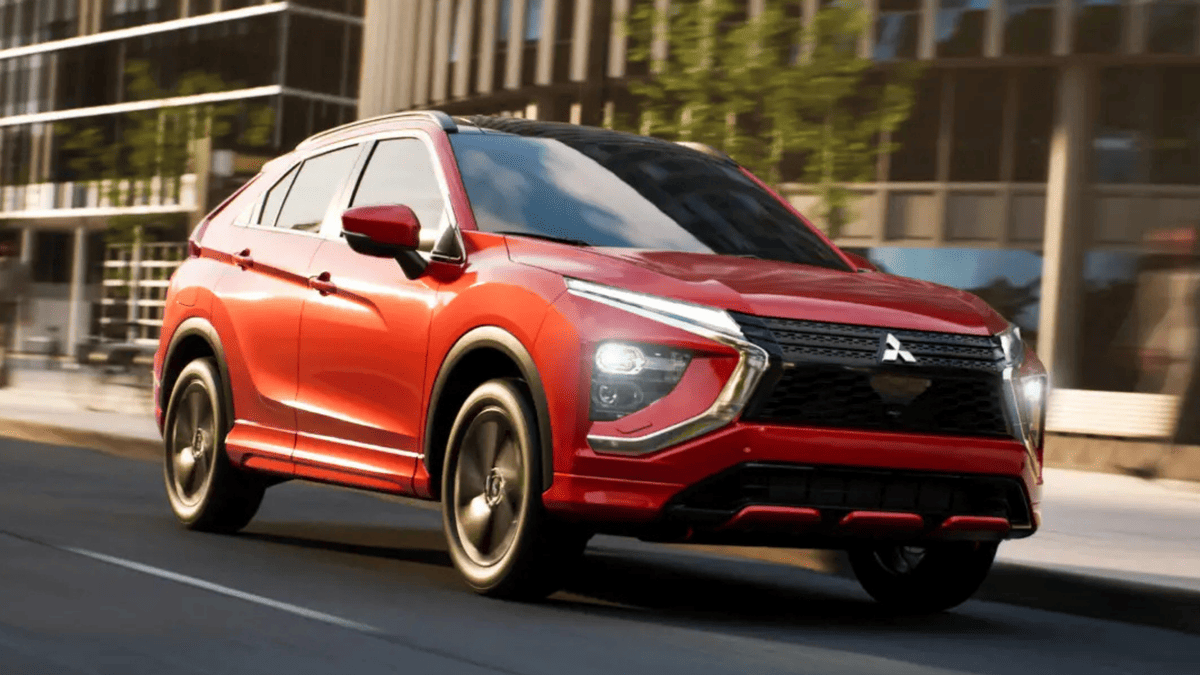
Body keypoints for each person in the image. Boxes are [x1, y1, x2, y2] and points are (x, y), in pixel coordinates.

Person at [0, 239, 31, 387]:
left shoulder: (20, 268)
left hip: (9, 306)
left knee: (5, 343)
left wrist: (25, 312)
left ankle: (3, 376)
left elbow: (25, 291)